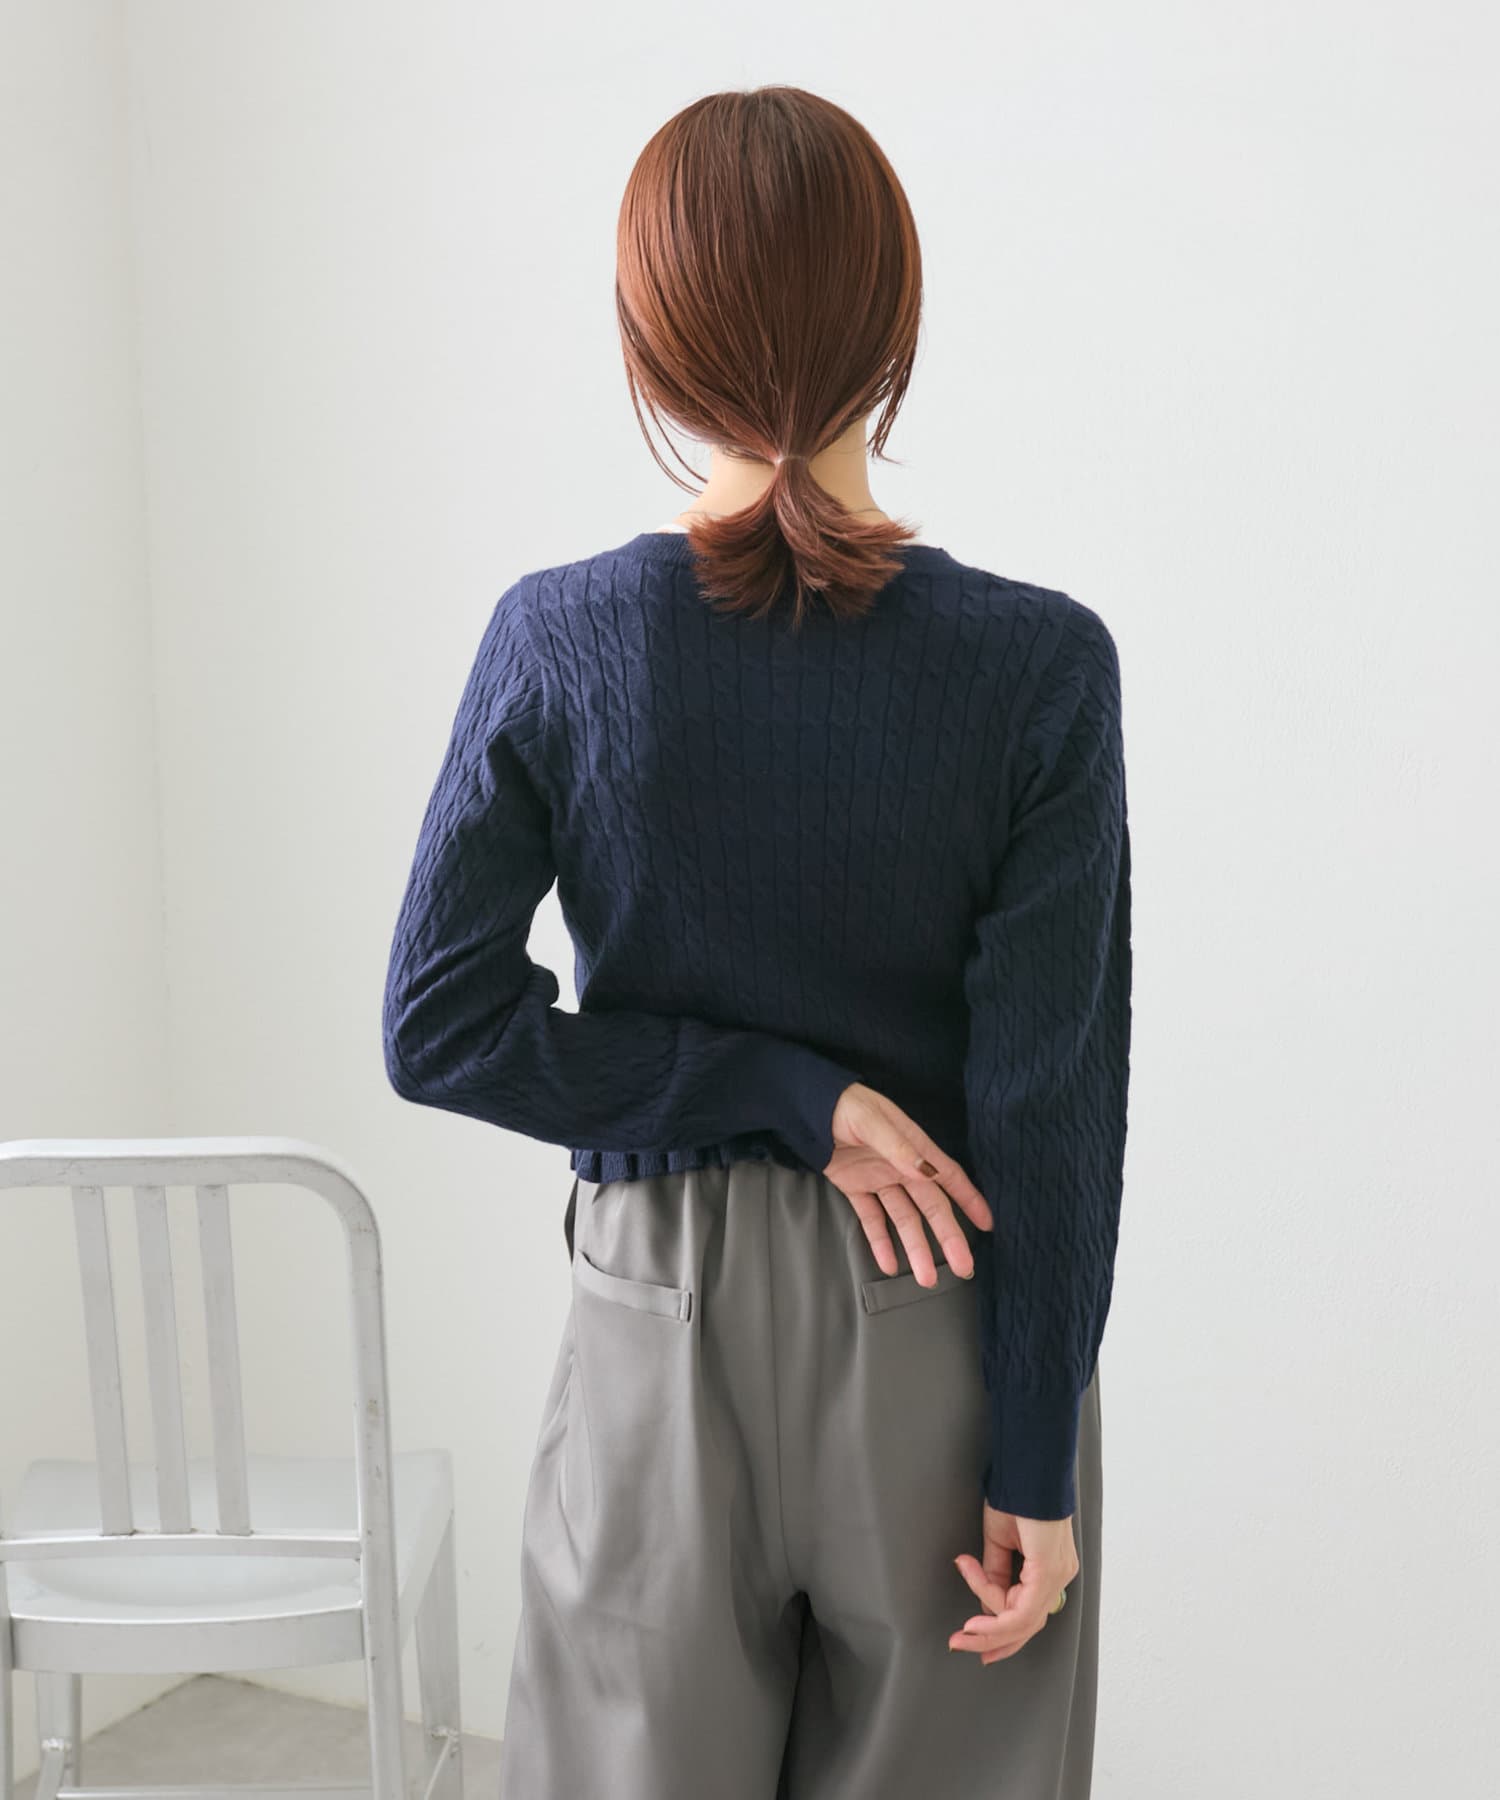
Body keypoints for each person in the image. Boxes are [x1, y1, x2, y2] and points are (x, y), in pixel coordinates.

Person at [382, 82, 1130, 1800]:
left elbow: (442, 1025)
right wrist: (1033, 1454)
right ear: (895, 333)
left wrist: (777, 1094)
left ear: (651, 352)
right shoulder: (1038, 668)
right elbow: (1053, 1105)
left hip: (660, 1306)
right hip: (943, 1313)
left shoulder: (561, 639)